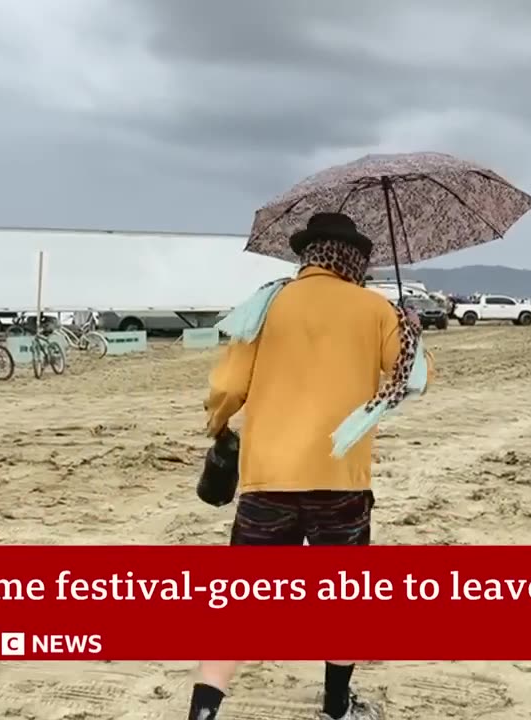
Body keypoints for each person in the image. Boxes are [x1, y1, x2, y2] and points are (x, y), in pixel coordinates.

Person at [189, 212, 434, 720]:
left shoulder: (266, 302)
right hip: (341, 483)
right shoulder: (375, 308)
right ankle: (337, 709)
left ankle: (203, 714)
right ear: (353, 259)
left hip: (268, 481)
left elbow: (229, 388)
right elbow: (413, 380)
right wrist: (410, 330)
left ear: (307, 255)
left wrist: (219, 427)